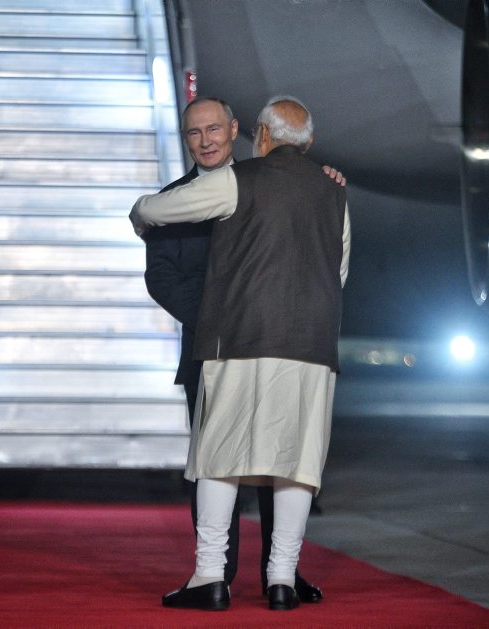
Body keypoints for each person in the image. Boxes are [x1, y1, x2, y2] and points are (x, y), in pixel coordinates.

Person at [132, 95, 350, 611]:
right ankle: (279, 579)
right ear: (310, 142)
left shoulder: (237, 180)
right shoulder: (333, 192)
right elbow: (336, 273)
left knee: (219, 457)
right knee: (294, 462)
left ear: (250, 133)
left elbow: (150, 211)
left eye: (213, 129)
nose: (204, 140)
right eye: (194, 132)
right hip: (307, 345)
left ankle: (212, 575)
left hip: (236, 345)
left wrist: (140, 214)